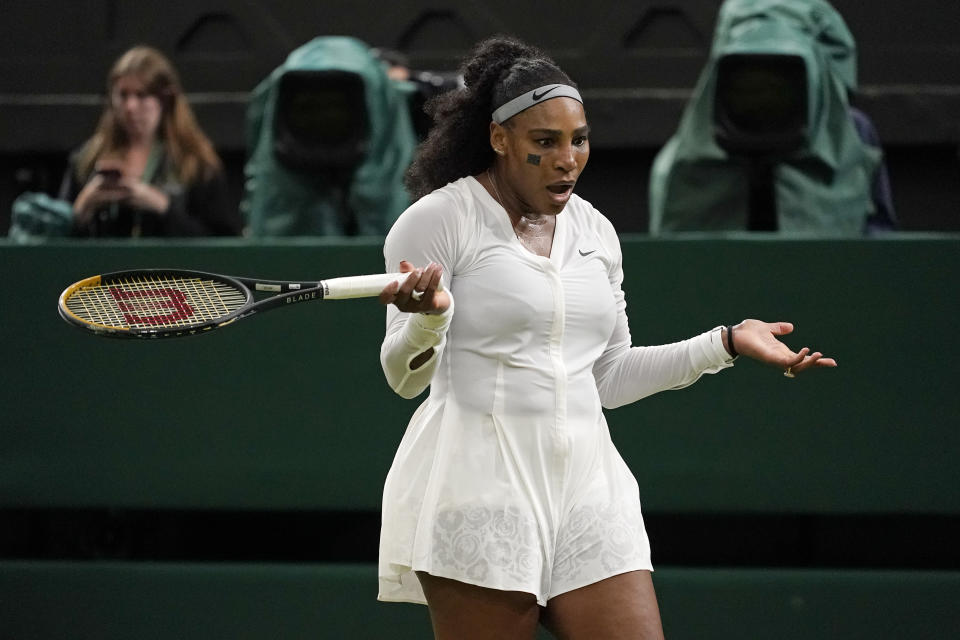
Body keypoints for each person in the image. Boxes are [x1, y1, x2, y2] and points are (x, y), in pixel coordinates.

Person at [374, 36, 836, 639]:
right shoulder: (437, 220)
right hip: (479, 489)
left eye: (579, 139)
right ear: (499, 138)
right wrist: (429, 319)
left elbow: (608, 377)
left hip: (590, 491)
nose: (568, 158)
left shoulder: (595, 230)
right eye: (546, 142)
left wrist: (725, 343)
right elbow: (403, 377)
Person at [648, 0, 895, 235]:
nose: (762, 96)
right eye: (748, 86)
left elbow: (877, 245)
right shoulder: (702, 134)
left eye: (777, 85)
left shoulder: (850, 131)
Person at [59, 45, 240, 237]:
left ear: (165, 100)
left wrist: (163, 206)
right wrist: (83, 205)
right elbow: (53, 242)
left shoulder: (196, 163)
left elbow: (220, 243)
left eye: (141, 95)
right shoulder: (86, 159)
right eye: (123, 95)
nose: (130, 107)